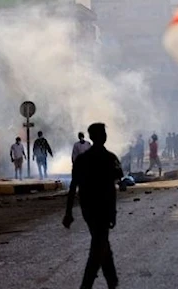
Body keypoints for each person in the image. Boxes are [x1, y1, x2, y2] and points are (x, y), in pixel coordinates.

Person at [63, 123, 122, 289]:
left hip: (88, 209)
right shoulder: (110, 158)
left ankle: (112, 280)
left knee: (101, 243)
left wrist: (68, 213)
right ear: (102, 136)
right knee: (99, 245)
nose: (104, 135)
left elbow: (73, 187)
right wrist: (113, 212)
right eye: (103, 132)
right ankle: (87, 284)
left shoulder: (83, 160)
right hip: (103, 209)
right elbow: (115, 186)